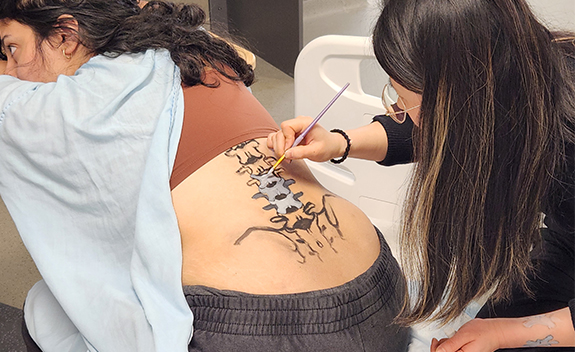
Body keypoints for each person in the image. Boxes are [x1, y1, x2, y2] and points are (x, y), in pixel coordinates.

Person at [0, 0, 411, 351]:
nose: (12, 71)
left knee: (46, 308)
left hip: (263, 330)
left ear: (66, 35)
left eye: (12, 49)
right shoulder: (195, 52)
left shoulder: (63, 108)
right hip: (384, 290)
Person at [268, 0, 575, 351]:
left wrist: (505, 333)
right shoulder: (517, 76)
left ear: (465, 96)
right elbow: (434, 131)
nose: (399, 111)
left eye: (404, 101)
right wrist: (338, 142)